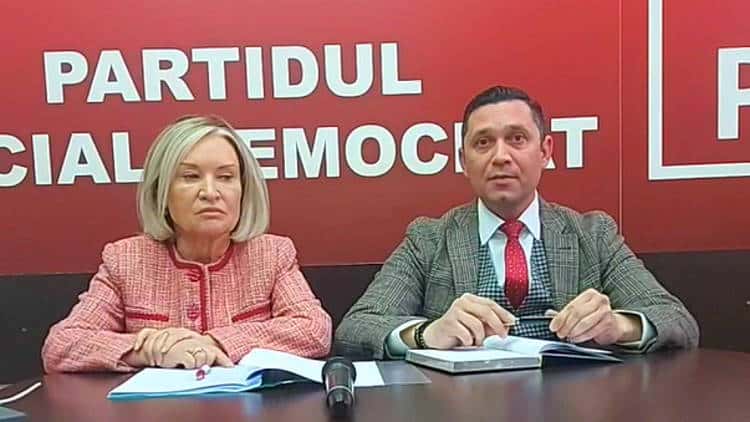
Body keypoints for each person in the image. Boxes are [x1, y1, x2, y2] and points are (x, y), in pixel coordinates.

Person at [335, 85, 699, 359]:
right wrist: (428, 334)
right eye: (483, 143)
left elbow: (676, 320)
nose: (500, 156)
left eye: (517, 139)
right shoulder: (428, 239)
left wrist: (618, 326)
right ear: (463, 160)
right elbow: (356, 327)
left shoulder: (593, 235)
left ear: (545, 151)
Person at [42, 115, 332, 372]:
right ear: (161, 191)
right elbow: (62, 344)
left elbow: (314, 329)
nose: (210, 192)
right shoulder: (126, 260)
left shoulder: (271, 254)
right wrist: (150, 351)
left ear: (243, 190)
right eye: (191, 177)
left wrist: (214, 342)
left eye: (226, 177)